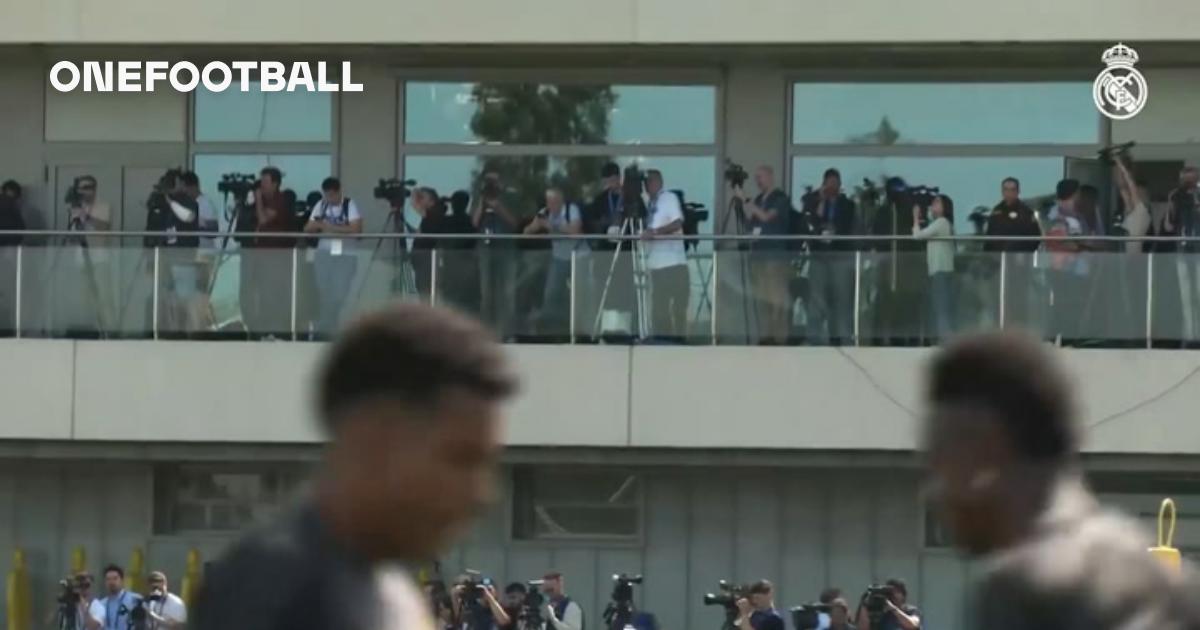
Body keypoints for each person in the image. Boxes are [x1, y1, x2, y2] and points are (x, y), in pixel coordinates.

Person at [193, 303, 519, 630]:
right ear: (375, 437)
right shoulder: (275, 594)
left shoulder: (385, 588)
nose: (482, 493)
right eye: (460, 458)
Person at [922, 331, 1200, 630]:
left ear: (987, 450)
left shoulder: (1021, 592)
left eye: (940, 460)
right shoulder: (1170, 580)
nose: (933, 491)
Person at [803, 168, 857, 345]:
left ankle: (843, 337)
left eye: (835, 183)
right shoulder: (815, 201)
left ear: (840, 185)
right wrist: (821, 198)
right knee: (817, 298)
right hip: (819, 255)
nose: (832, 186)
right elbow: (810, 218)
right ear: (824, 184)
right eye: (829, 183)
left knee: (842, 298)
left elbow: (849, 226)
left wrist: (835, 231)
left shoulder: (848, 204)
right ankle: (814, 337)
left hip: (840, 255)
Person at [305, 177, 364, 336]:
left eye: (332, 195)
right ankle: (326, 328)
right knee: (324, 292)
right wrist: (318, 226)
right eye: (327, 195)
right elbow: (308, 228)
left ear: (339, 192)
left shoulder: (349, 205)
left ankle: (330, 325)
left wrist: (328, 227)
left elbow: (356, 229)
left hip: (345, 255)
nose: (330, 198)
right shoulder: (321, 205)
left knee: (339, 293)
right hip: (323, 254)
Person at [742, 165, 794, 344]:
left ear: (771, 177)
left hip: (775, 256)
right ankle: (765, 335)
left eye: (761, 177)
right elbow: (752, 223)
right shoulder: (758, 199)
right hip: (758, 255)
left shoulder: (780, 198)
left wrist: (748, 203)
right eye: (756, 178)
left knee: (776, 299)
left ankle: (779, 338)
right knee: (762, 299)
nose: (758, 181)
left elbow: (766, 217)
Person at [241, 166, 294, 337]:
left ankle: (277, 331)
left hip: (276, 256)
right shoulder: (261, 199)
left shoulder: (281, 199)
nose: (262, 185)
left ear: (275, 183)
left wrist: (258, 200)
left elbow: (263, 219)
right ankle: (262, 330)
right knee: (260, 293)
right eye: (261, 181)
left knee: (274, 293)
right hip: (260, 255)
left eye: (265, 181)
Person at [984, 177, 1042, 327]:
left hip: (1019, 267)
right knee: (998, 300)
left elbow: (1035, 238)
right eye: (1006, 189)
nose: (1009, 193)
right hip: (997, 266)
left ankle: (1018, 331)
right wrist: (987, 261)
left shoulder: (1026, 212)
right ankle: (999, 330)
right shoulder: (996, 212)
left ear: (1018, 191)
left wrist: (1023, 254)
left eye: (1012, 190)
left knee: (1018, 300)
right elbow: (989, 239)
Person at [641, 169, 689, 342]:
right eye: (645, 183)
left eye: (651, 182)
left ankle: (676, 341)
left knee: (675, 306)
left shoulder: (668, 198)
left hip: (672, 263)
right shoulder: (650, 204)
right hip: (656, 264)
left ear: (659, 182)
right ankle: (661, 340)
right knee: (659, 307)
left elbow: (677, 222)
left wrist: (655, 232)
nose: (647, 186)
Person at [473, 170, 519, 338]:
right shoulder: (480, 197)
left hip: (506, 249)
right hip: (485, 249)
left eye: (494, 181)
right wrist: (481, 203)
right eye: (488, 181)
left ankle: (506, 331)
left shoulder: (511, 197)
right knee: (486, 292)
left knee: (506, 292)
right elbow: (473, 223)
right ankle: (486, 331)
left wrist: (498, 207)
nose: (491, 184)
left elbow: (516, 223)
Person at [1045, 179, 1090, 346]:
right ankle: (1056, 338)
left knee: (1074, 304)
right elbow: (1059, 240)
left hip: (1076, 268)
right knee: (1063, 304)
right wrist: (1083, 246)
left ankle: (1070, 338)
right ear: (1074, 193)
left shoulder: (1076, 216)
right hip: (1061, 267)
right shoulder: (1057, 215)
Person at [912, 194, 956, 341]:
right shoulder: (940, 223)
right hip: (940, 271)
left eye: (937, 202)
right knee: (939, 308)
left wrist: (915, 218)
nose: (933, 205)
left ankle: (945, 340)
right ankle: (941, 339)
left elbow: (918, 236)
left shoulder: (942, 222)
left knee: (941, 309)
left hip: (941, 271)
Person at [88, 565, 142, 630]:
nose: (111, 582)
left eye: (115, 578)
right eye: (108, 579)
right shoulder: (101, 604)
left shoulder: (135, 599)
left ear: (122, 580)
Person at [855, 579, 919, 630]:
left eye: (897, 592)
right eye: (891, 592)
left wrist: (892, 608)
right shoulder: (880, 612)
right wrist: (864, 604)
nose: (894, 595)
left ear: (903, 595)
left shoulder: (911, 610)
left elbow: (912, 625)